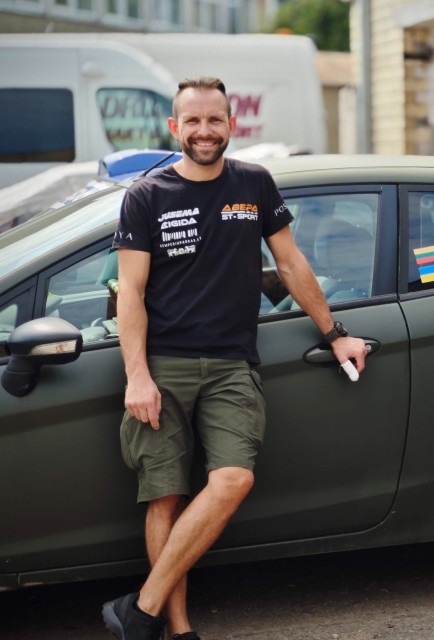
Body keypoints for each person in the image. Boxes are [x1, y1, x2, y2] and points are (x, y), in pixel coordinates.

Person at [102, 77, 368, 640]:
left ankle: (139, 611)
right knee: (165, 497)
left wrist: (335, 332)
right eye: (192, 121)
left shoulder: (254, 184)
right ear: (174, 127)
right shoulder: (146, 196)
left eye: (214, 120)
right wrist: (137, 376)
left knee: (233, 479)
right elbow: (131, 292)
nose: (204, 131)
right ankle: (177, 629)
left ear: (231, 124)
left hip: (231, 365)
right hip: (164, 365)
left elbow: (290, 264)